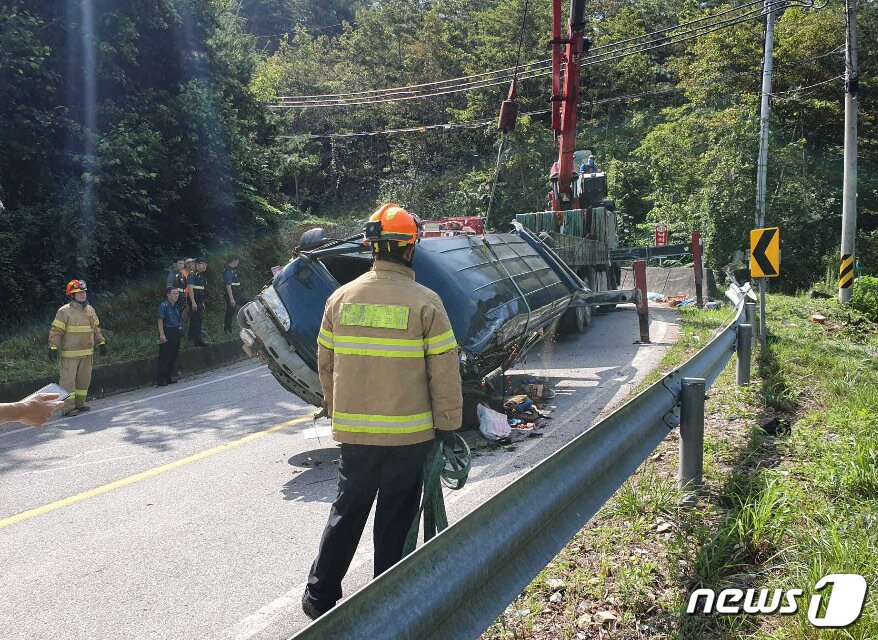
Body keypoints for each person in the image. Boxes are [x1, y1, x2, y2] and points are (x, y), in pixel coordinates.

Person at [302, 203, 463, 620]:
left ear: (370, 249)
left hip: (355, 437)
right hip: (409, 438)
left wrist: (340, 414)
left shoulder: (340, 299)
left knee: (347, 510)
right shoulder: (427, 302)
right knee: (395, 519)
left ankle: (318, 597)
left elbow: (326, 365)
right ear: (410, 249)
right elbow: (444, 372)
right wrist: (447, 426)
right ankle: (386, 603)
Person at [48, 280, 108, 416]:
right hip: (70, 355)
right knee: (68, 382)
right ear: (71, 295)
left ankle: (80, 404)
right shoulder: (64, 311)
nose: (82, 295)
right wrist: (52, 346)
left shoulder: (90, 310)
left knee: (84, 380)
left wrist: (101, 343)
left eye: (84, 292)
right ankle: (68, 408)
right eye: (79, 293)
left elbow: (95, 329)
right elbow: (56, 331)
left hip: (87, 353)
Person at [156, 286, 183, 386]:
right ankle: (161, 379)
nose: (176, 295)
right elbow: (160, 320)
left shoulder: (176, 306)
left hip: (176, 330)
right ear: (168, 295)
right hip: (167, 331)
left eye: (177, 293)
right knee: (164, 356)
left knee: (173, 355)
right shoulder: (164, 306)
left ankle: (169, 376)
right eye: (174, 293)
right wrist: (162, 334)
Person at [187, 257, 209, 346]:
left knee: (193, 320)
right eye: (202, 264)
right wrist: (193, 302)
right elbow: (190, 288)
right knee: (198, 321)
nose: (204, 266)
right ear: (197, 265)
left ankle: (190, 337)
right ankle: (198, 340)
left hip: (199, 301)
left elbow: (202, 291)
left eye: (205, 264)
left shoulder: (201, 275)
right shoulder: (192, 275)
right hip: (195, 301)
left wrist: (202, 302)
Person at [222, 255, 245, 334]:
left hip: (237, 293)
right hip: (232, 294)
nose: (238, 262)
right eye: (237, 261)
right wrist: (231, 298)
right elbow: (228, 286)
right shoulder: (228, 271)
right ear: (234, 261)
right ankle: (227, 329)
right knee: (230, 311)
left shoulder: (233, 270)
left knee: (247, 304)